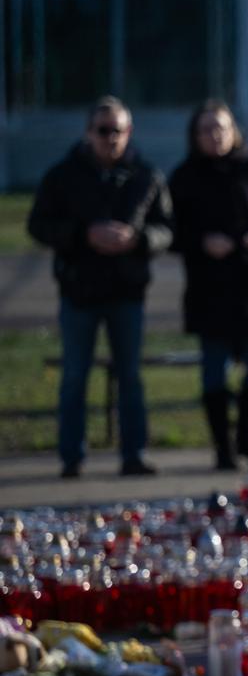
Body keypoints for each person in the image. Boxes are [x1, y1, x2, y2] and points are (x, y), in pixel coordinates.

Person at [27, 96, 172, 479]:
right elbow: (38, 225)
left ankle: (133, 454)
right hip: (80, 292)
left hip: (127, 293)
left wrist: (137, 240)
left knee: (130, 377)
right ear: (88, 132)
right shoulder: (63, 175)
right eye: (103, 131)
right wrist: (83, 235)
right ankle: (71, 457)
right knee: (75, 375)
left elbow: (167, 230)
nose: (111, 138)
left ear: (129, 132)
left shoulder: (147, 176)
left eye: (118, 131)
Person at [169, 100, 248, 470]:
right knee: (214, 370)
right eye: (206, 129)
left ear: (233, 130)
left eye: (221, 127)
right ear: (195, 136)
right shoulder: (185, 176)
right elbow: (170, 232)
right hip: (210, 289)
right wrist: (202, 242)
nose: (215, 135)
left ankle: (246, 437)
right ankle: (223, 447)